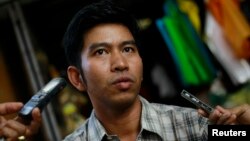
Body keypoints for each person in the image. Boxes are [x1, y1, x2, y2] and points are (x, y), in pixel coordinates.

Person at [61, 0, 249, 140]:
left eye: (128, 49)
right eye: (101, 52)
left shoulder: (197, 127)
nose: (120, 63)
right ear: (77, 78)